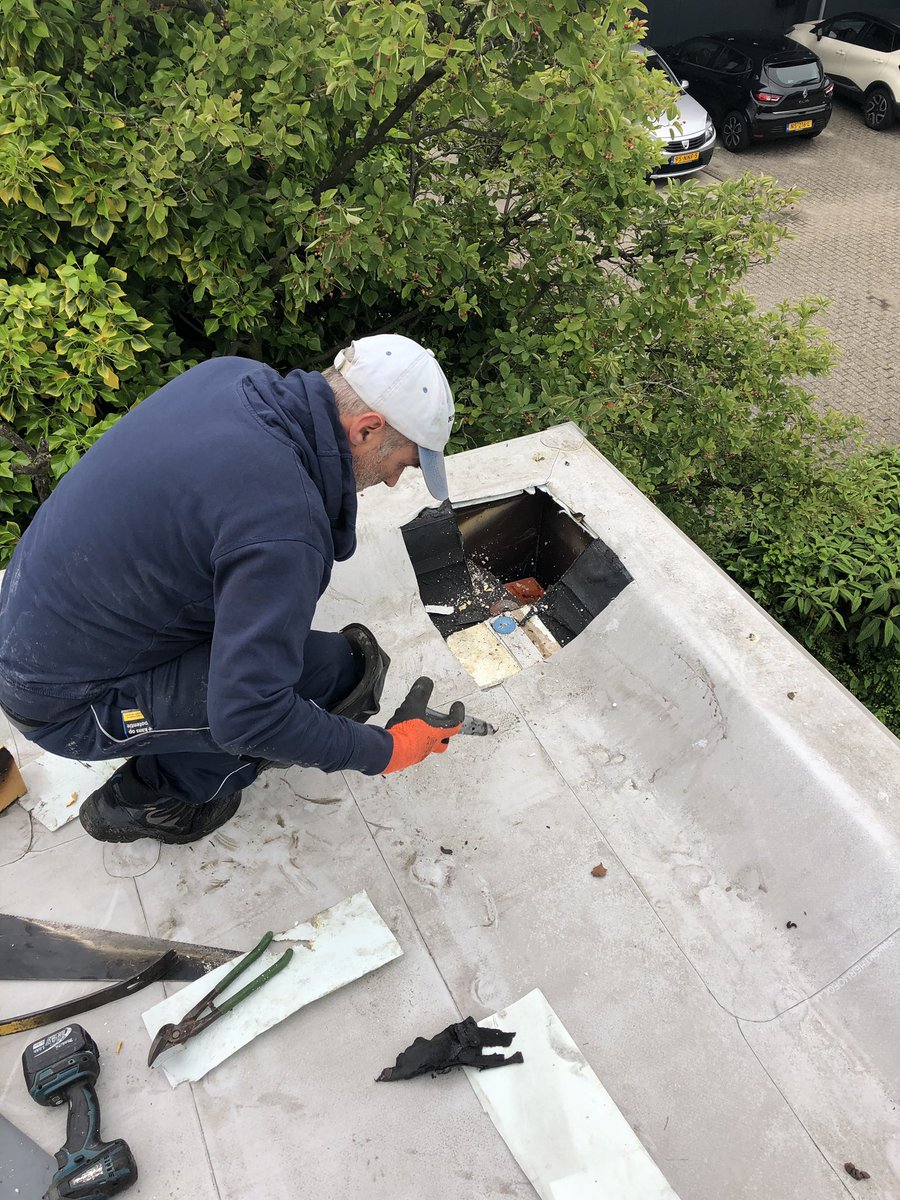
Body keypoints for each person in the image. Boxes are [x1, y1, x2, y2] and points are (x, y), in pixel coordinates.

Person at [0, 334, 465, 845]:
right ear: (367, 429)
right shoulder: (285, 525)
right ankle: (148, 800)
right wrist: (385, 752)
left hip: (30, 633)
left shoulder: (229, 376)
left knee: (300, 658)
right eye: (404, 462)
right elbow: (250, 717)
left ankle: (165, 744)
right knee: (329, 678)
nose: (397, 481)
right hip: (64, 705)